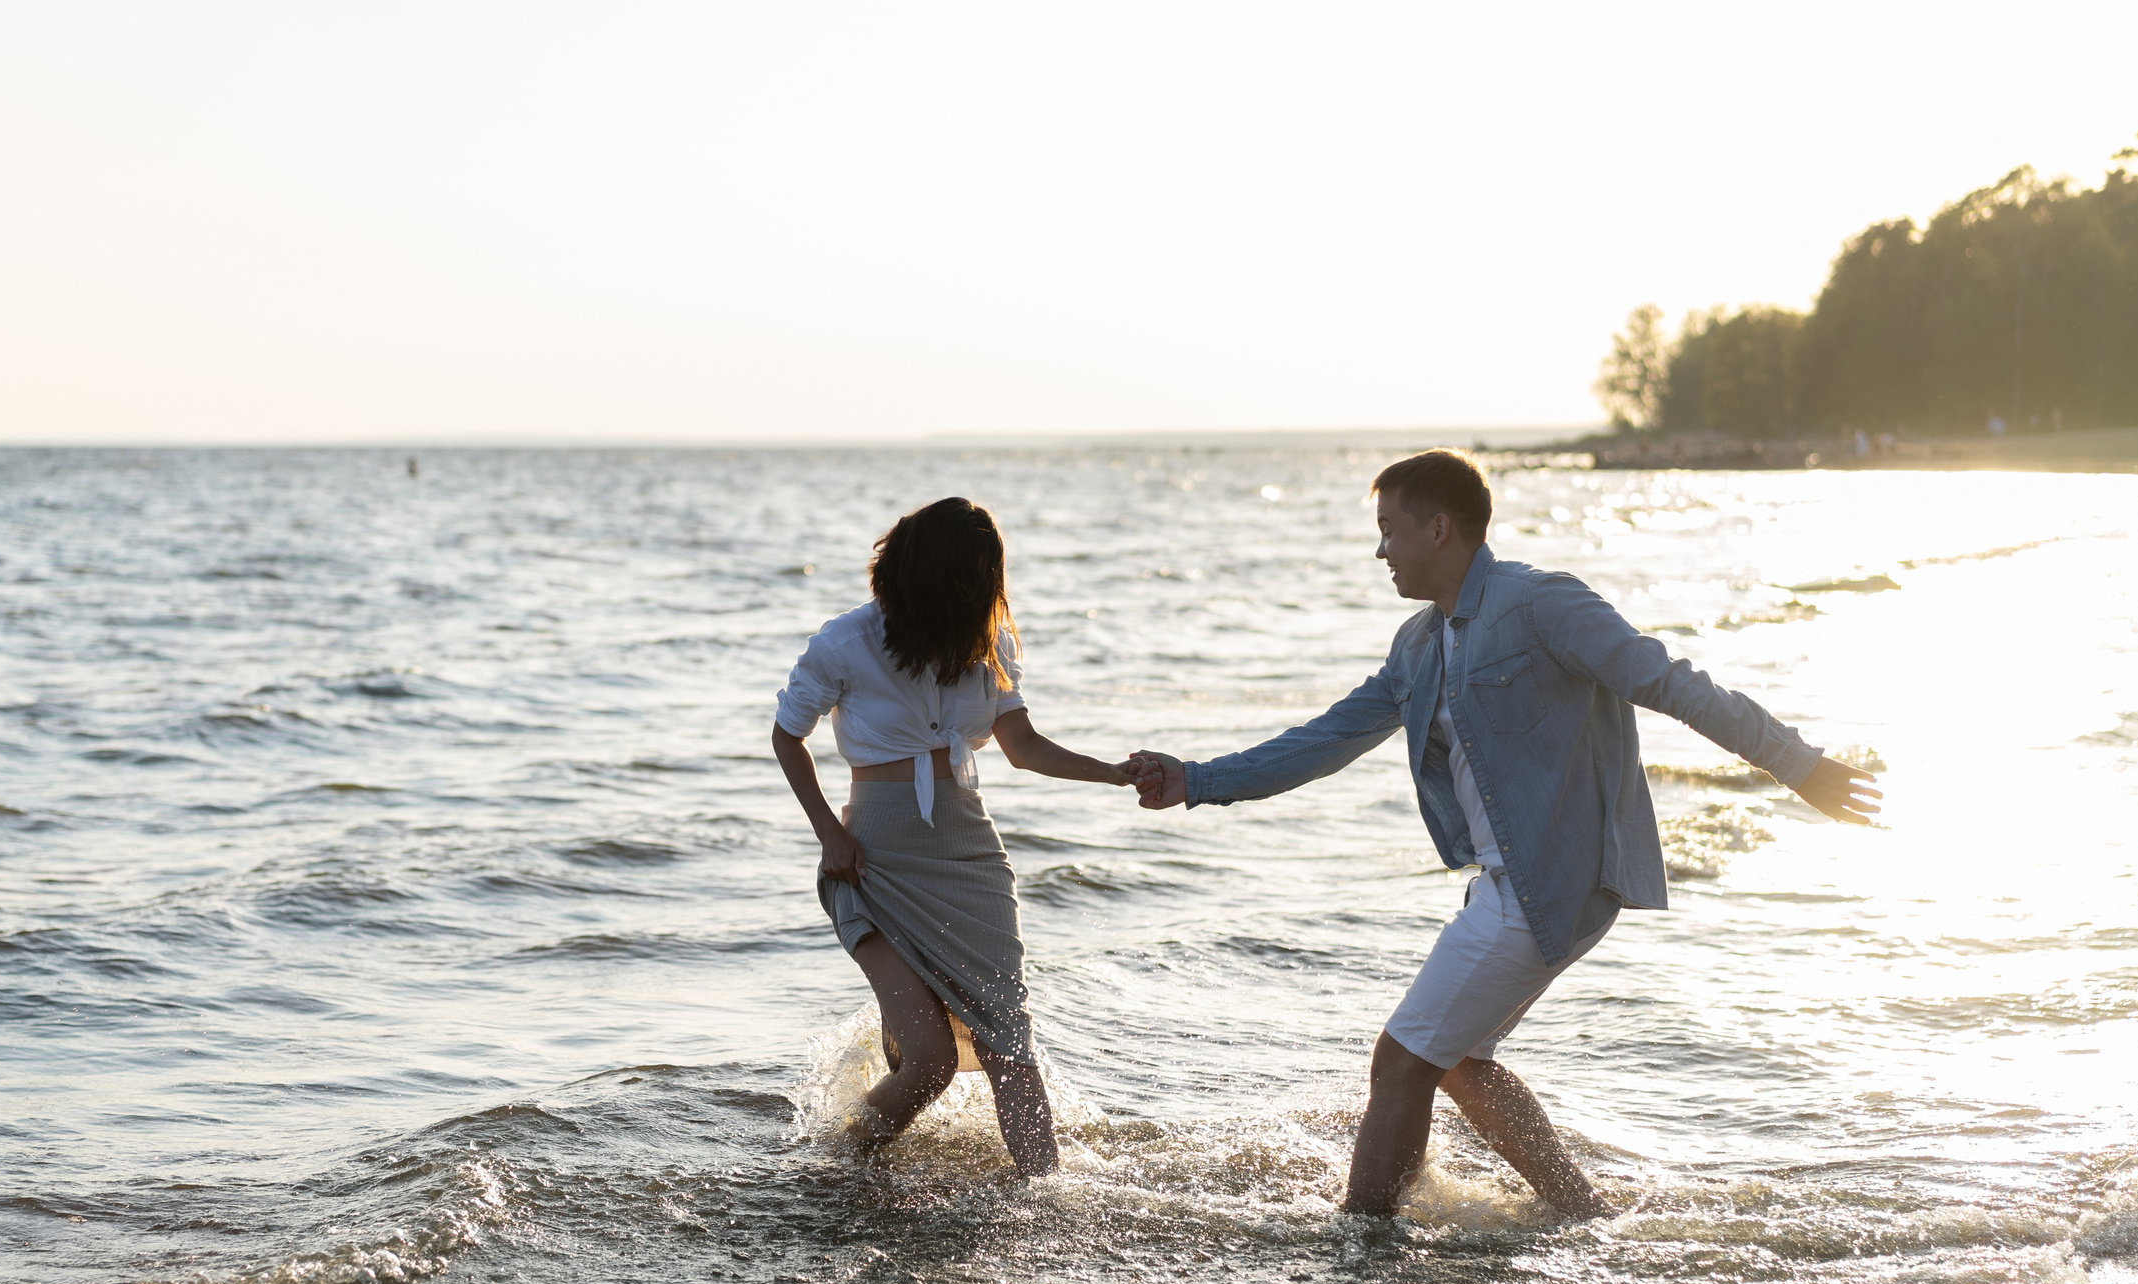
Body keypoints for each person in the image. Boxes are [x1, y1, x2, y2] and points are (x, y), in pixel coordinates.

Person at [1121, 450, 1879, 1218]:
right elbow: (1326, 738)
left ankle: (1365, 1241)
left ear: (1439, 528)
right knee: (1456, 1062)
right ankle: (1583, 1211)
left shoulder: (1542, 606)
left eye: (1389, 530)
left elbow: (1670, 681)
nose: (1379, 551)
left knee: (1401, 1060)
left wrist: (1798, 765)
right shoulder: (1418, 644)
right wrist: (1198, 778)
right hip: (1504, 883)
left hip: (1550, 879)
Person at [773, 497, 1130, 1177]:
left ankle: (1046, 1195)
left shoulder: (985, 642)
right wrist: (828, 835)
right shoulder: (846, 642)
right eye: (968, 579)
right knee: (931, 1062)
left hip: (970, 856)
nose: (981, 595)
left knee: (1008, 1043)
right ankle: (841, 1167)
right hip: (872, 858)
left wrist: (1112, 774)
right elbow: (787, 735)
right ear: (929, 574)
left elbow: (1021, 747)